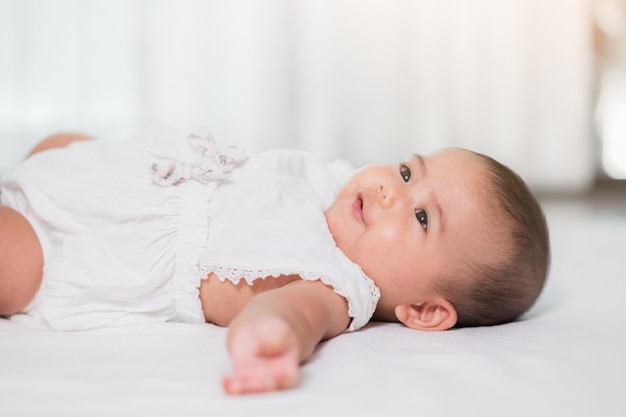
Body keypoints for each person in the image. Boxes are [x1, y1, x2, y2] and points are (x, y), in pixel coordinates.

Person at [0, 126, 550, 395]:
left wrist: (270, 339)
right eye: (408, 173)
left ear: (426, 311)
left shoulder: (336, 287)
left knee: (13, 259)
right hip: (132, 179)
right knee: (62, 145)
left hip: (101, 249)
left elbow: (291, 316)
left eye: (422, 218)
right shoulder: (336, 183)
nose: (390, 192)